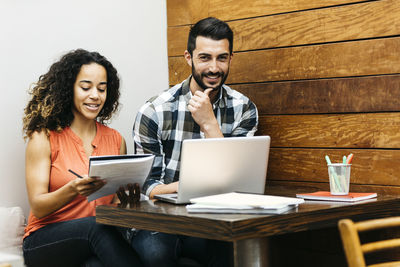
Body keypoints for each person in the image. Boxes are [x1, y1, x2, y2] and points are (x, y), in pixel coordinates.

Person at [130, 17, 258, 266]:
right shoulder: (155, 110)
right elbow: (148, 185)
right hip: (161, 220)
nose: (214, 68)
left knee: (235, 250)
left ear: (231, 58)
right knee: (157, 254)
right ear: (188, 58)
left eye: (221, 58)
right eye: (204, 58)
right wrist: (192, 186)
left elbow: (238, 182)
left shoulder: (244, 109)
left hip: (214, 217)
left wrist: (209, 124)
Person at [22, 49, 143, 267]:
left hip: (95, 238)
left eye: (102, 89)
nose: (95, 95)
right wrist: (73, 190)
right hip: (43, 240)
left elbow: (113, 204)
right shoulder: (44, 136)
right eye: (86, 87)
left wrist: (127, 202)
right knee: (96, 227)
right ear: (69, 89)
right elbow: (38, 206)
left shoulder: (116, 140)